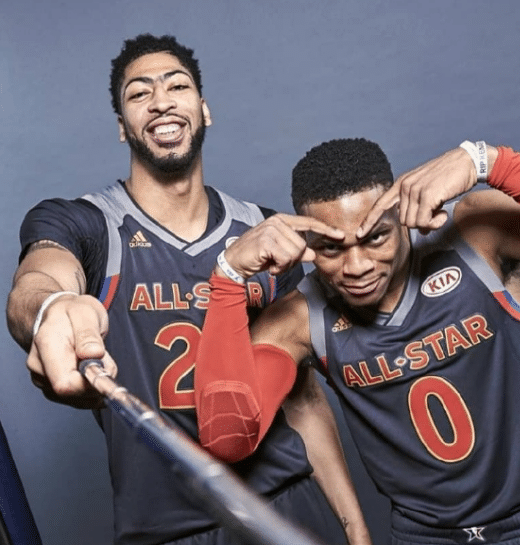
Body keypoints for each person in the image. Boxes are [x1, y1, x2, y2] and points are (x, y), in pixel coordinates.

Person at [194, 137, 520, 544]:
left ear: (401, 215)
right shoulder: (300, 318)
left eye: (375, 237)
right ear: (305, 243)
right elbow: (228, 440)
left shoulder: (477, 238)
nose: (357, 266)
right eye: (331, 248)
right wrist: (228, 277)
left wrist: (492, 163)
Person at [6, 35, 371, 545]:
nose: (161, 101)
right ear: (122, 126)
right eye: (139, 93)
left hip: (286, 506)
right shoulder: (88, 224)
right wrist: (51, 307)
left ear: (204, 110)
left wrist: (356, 530)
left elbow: (304, 400)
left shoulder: (263, 233)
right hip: (167, 529)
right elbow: (40, 277)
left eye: (176, 86)